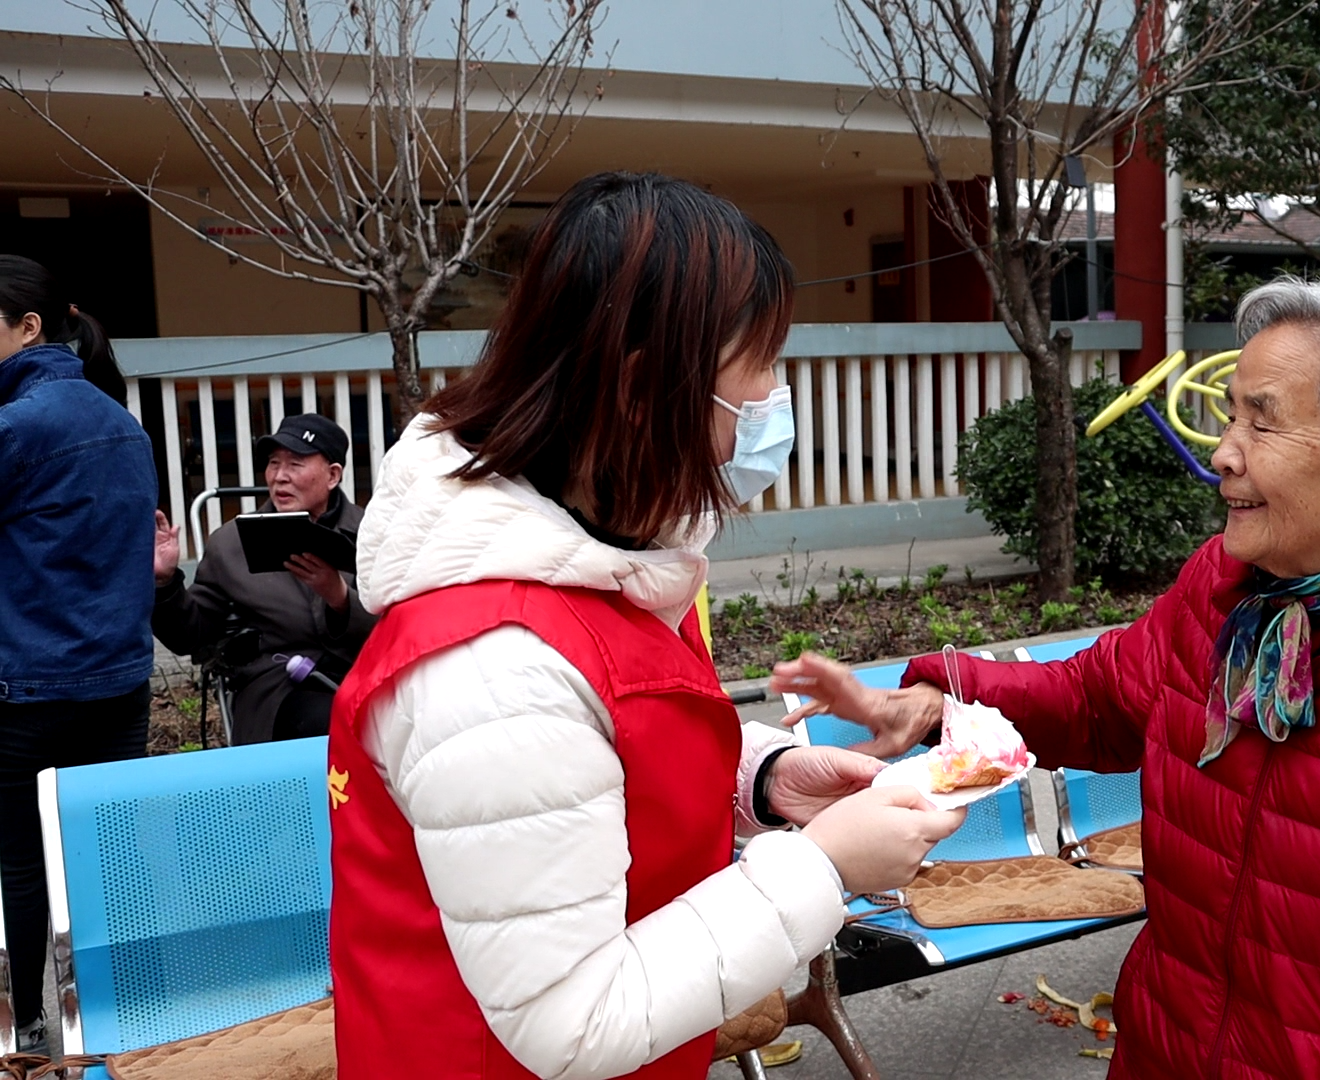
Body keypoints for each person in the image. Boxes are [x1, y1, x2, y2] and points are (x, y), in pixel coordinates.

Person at [777, 272, 1320, 1079]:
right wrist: (936, 700)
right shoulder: (1222, 592)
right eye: (1230, 415)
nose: (1225, 454)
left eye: (1263, 423)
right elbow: (1097, 700)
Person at [329, 171, 965, 1080]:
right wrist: (825, 870)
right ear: (643, 389)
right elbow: (573, 1024)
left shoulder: (604, 550)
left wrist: (764, 781)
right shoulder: (493, 668)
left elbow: (599, 754)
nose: (773, 399)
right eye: (762, 364)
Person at [0, 254, 157, 1055]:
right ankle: (120, 1010)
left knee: (25, 865)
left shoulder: (17, 425)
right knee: (108, 852)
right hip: (121, 681)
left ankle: (32, 1025)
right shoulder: (124, 422)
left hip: (29, 685)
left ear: (27, 327)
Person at [150, 413, 376, 744]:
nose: (280, 477)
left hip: (367, 675)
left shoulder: (372, 532)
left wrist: (339, 597)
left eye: (296, 464)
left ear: (332, 475)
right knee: (331, 724)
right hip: (281, 686)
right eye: (274, 463)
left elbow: (398, 625)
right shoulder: (233, 543)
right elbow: (190, 637)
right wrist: (165, 581)